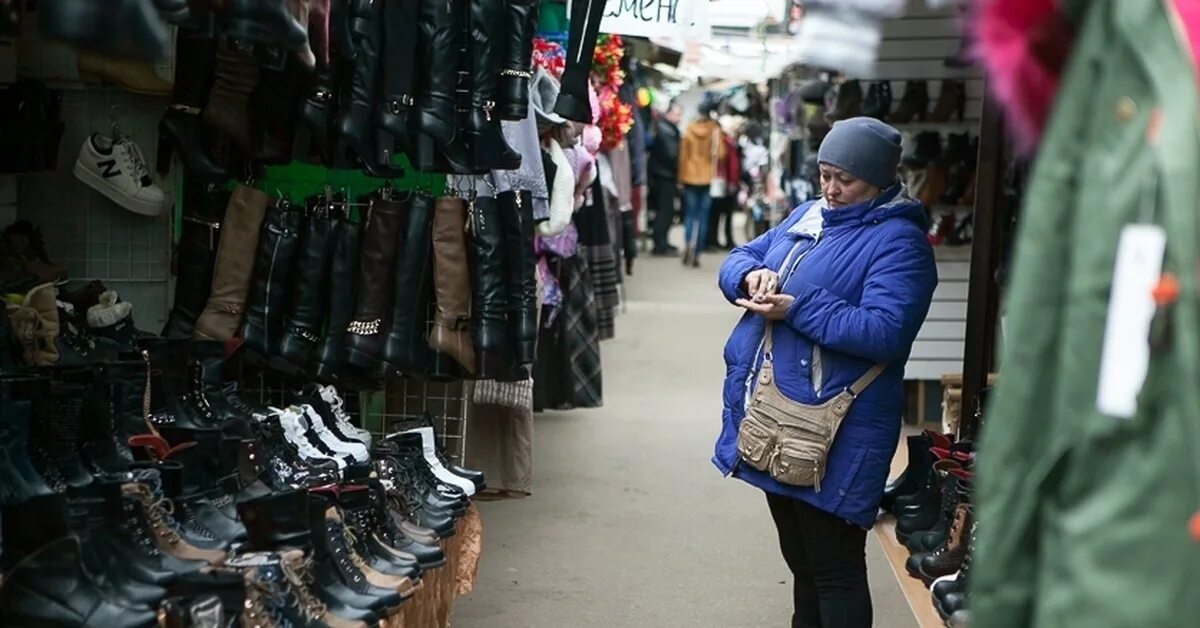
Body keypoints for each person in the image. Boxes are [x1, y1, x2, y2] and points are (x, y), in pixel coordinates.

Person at [712, 117, 938, 628]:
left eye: (845, 179)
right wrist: (752, 274)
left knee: (834, 571)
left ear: (879, 181)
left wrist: (795, 305)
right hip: (784, 418)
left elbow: (885, 331)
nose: (830, 189)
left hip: (838, 428)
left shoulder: (900, 243)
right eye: (824, 173)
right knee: (805, 567)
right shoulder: (810, 215)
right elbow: (741, 255)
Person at [677, 101, 726, 267]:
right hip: (706, 177)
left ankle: (688, 245)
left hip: (690, 177)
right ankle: (697, 250)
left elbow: (683, 156)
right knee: (703, 216)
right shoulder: (714, 129)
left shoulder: (689, 129)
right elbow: (721, 154)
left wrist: (680, 178)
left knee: (690, 215)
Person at [647, 102, 682, 256]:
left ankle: (662, 242)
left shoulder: (662, 128)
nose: (679, 118)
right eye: (677, 114)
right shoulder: (666, 130)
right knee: (665, 211)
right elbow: (672, 154)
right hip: (664, 176)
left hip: (660, 175)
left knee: (664, 211)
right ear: (668, 114)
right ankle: (660, 244)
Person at [706, 126, 741, 251]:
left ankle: (713, 240)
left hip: (718, 182)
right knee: (726, 214)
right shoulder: (726, 142)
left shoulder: (717, 140)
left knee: (714, 214)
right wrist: (732, 182)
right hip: (724, 182)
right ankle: (727, 240)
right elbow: (732, 164)